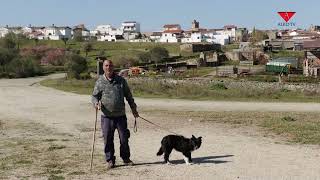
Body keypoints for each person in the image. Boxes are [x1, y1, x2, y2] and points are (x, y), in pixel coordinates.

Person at [92, 59, 139, 169]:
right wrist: (96, 103)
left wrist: (134, 109)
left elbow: (128, 96)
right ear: (103, 67)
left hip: (120, 116)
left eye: (110, 65)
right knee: (108, 139)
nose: (109, 67)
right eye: (106, 65)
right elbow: (94, 96)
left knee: (124, 139)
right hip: (107, 117)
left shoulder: (121, 80)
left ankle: (126, 158)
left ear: (113, 67)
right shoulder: (99, 81)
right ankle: (110, 160)